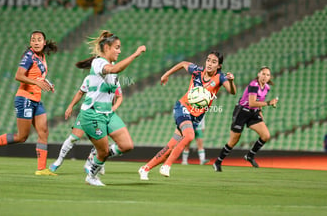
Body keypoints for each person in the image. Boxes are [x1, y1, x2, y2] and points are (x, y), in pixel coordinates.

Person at [138, 51, 236, 180]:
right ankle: (167, 166)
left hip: (196, 116)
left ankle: (145, 168)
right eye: (208, 60)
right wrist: (166, 75)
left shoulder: (220, 77)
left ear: (219, 66)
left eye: (214, 62)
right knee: (189, 135)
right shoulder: (197, 71)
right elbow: (183, 64)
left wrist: (232, 81)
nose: (210, 64)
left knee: (171, 146)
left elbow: (231, 91)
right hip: (182, 107)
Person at [0, 31, 58, 176]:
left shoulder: (42, 57)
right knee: (22, 137)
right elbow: (19, 76)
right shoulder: (28, 56)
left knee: (44, 132)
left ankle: (41, 169)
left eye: (39, 40)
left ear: (44, 42)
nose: (36, 42)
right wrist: (36, 83)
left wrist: (47, 83)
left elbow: (38, 76)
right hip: (25, 98)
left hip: (36, 100)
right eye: (33, 40)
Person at [76, 30, 145, 186]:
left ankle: (93, 158)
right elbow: (115, 70)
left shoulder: (111, 65)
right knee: (104, 152)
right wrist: (135, 54)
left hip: (107, 113)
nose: (120, 51)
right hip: (93, 114)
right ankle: (92, 176)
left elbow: (115, 85)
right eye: (117, 47)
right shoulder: (98, 62)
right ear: (107, 47)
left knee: (127, 146)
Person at [49, 76, 122, 173]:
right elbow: (80, 92)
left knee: (101, 141)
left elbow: (119, 96)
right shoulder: (91, 78)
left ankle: (91, 163)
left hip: (103, 114)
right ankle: (58, 161)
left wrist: (114, 107)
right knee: (74, 137)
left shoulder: (114, 78)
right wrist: (70, 106)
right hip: (87, 112)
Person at [213, 66, 278, 172]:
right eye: (263, 74)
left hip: (253, 113)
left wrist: (260, 111)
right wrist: (268, 103)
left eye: (267, 75)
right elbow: (252, 103)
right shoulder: (254, 85)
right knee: (234, 140)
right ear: (258, 74)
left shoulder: (266, 87)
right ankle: (218, 162)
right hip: (242, 112)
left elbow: (260, 100)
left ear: (269, 77)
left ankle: (250, 156)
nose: (265, 76)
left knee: (266, 135)